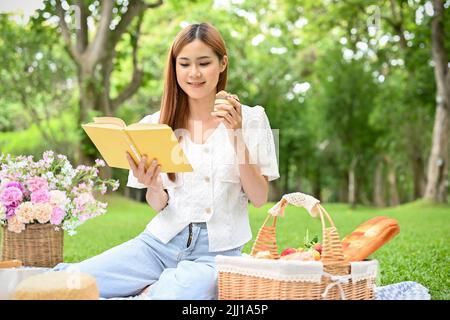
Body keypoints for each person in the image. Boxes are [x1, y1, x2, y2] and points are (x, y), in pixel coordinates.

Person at [54, 22, 279, 299]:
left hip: (216, 255)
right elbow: (158, 204)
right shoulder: (155, 124)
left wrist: (236, 135)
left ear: (222, 64)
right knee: (71, 283)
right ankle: (149, 285)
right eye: (184, 64)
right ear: (174, 68)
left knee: (179, 293)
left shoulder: (253, 118)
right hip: (157, 245)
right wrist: (153, 185)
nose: (194, 73)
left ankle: (151, 290)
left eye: (204, 63)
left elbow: (259, 197)